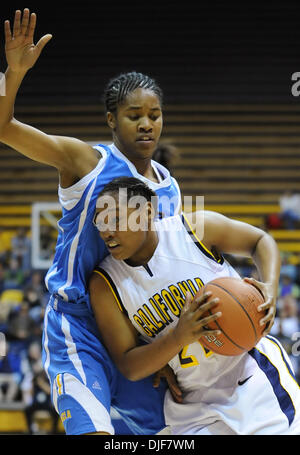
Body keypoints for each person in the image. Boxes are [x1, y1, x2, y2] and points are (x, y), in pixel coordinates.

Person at [0, 9, 183, 435]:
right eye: (134, 114)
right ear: (111, 121)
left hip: (137, 335)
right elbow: (4, 127)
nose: (146, 123)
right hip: (78, 327)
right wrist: (14, 72)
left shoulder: (170, 191)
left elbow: (166, 271)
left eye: (154, 114)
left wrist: (166, 351)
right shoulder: (86, 162)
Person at [89, 177, 300, 435]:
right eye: (99, 222)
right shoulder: (104, 284)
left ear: (146, 212)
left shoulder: (193, 229)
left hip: (251, 372)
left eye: (116, 219)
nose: (106, 232)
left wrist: (270, 286)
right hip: (190, 403)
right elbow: (129, 366)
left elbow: (259, 241)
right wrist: (178, 337)